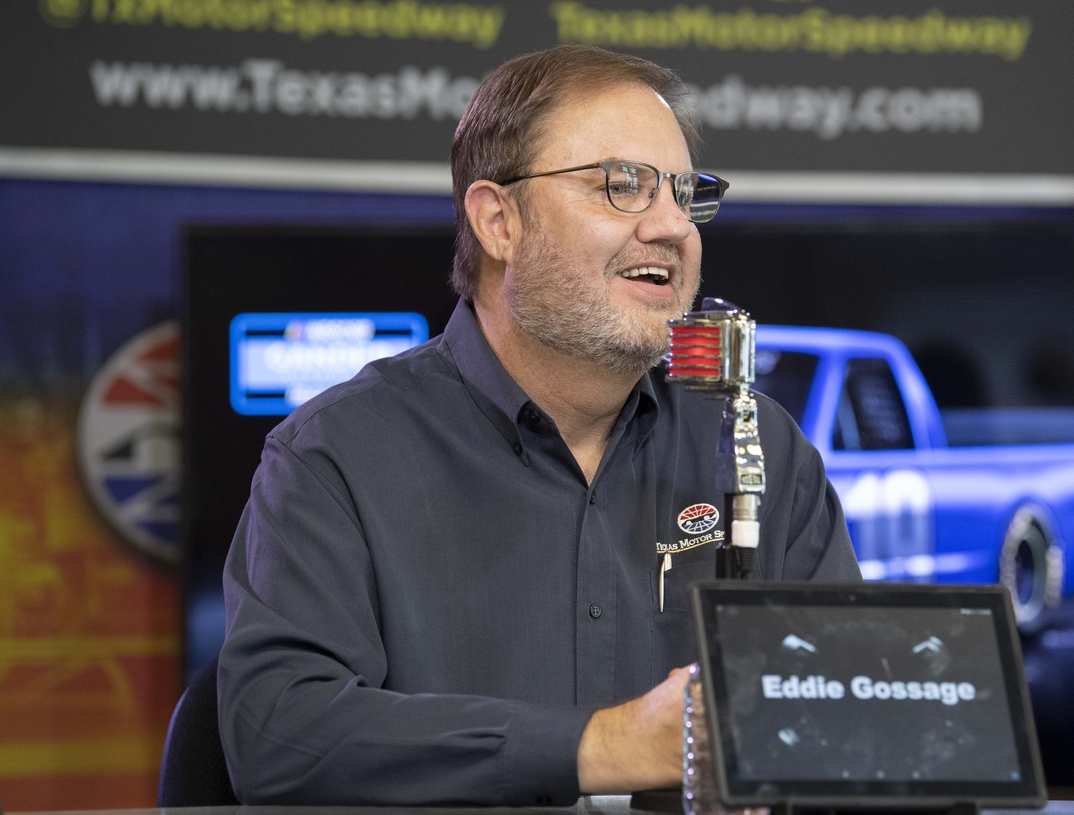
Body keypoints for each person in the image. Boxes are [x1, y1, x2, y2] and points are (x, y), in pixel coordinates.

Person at [218, 44, 861, 807]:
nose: (673, 228)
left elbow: (845, 720)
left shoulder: (761, 446)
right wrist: (604, 746)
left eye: (685, 194)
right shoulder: (336, 457)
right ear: (499, 221)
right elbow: (279, 733)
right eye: (622, 185)